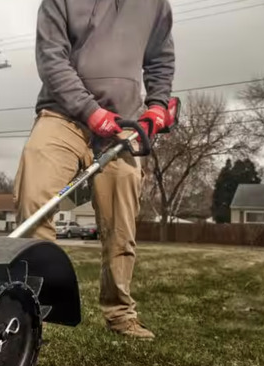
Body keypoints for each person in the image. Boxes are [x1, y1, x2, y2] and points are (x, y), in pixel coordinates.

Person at [13, 0, 176, 339]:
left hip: (122, 125)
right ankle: (31, 306)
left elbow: (160, 60)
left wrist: (158, 105)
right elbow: (51, 58)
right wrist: (89, 111)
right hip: (64, 115)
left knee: (121, 222)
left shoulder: (155, 4)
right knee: (35, 194)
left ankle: (120, 314)